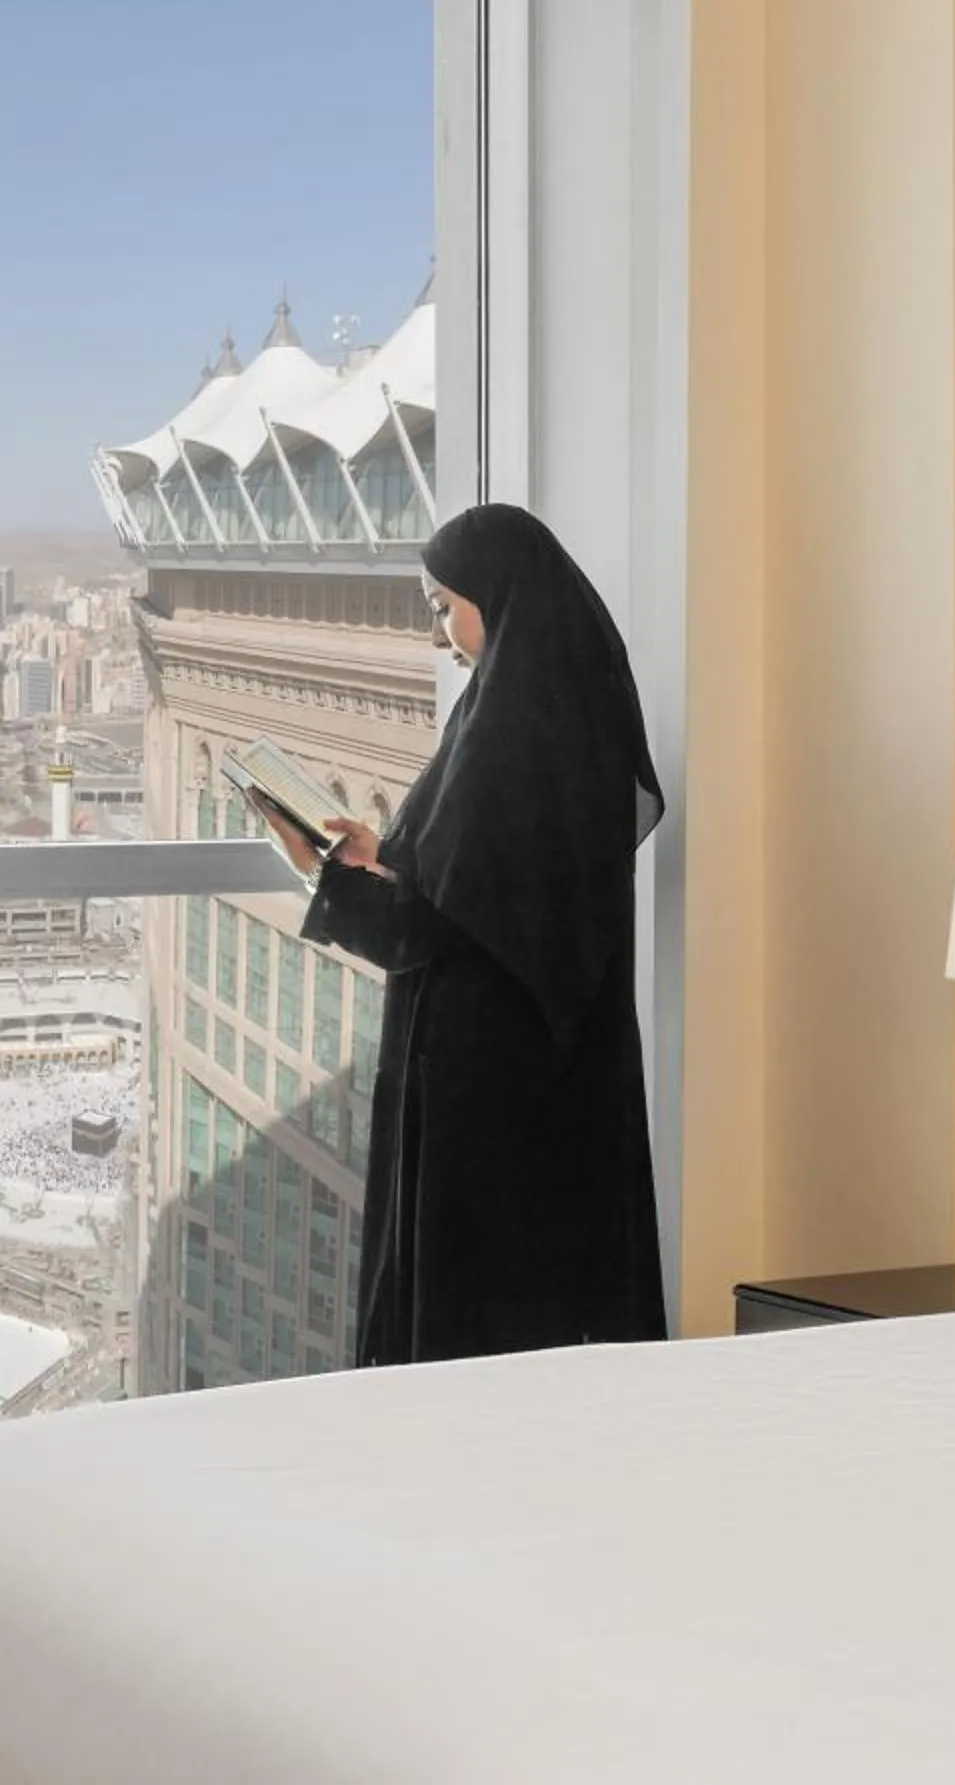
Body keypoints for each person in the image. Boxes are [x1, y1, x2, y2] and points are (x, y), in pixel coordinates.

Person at [249, 503, 667, 1367]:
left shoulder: (513, 734)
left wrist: (315, 869)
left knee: (473, 1311)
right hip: (537, 1069)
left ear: (494, 592)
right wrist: (385, 857)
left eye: (444, 606)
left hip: (488, 1082)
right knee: (534, 1307)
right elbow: (487, 893)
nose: (440, 634)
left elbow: (432, 934)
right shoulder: (548, 709)